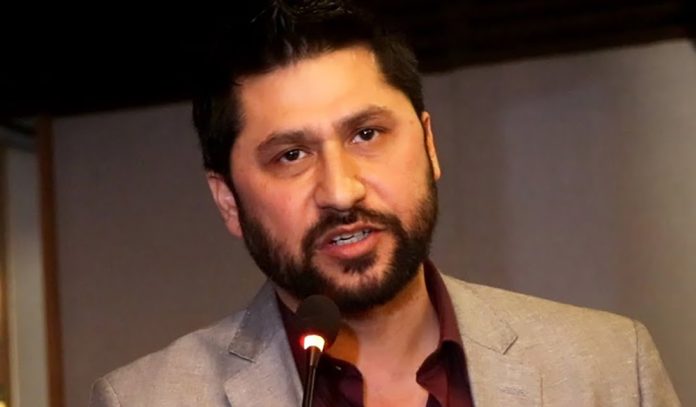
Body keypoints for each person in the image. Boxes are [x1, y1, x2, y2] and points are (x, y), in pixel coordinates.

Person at [89, 1, 681, 405]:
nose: (341, 191)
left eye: (367, 134)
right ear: (227, 200)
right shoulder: (147, 397)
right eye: (291, 155)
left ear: (428, 144)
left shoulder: (608, 368)